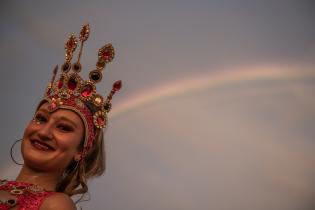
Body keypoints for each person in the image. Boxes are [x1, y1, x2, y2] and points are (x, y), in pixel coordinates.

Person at [0, 24, 122, 210]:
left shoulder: (56, 205)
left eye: (63, 127)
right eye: (40, 119)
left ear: (81, 151)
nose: (44, 132)